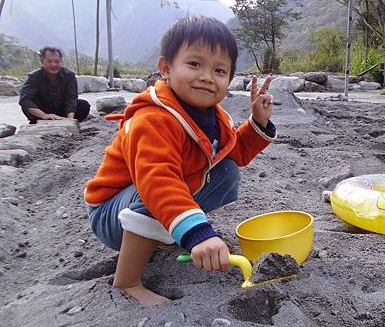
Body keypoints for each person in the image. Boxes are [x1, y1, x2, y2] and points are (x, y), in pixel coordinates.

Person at [84, 15, 276, 307]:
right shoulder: (151, 118)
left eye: (220, 70)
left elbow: (234, 153)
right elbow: (157, 180)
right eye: (194, 64)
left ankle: (171, 227)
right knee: (159, 191)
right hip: (113, 215)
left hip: (151, 199)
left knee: (225, 171)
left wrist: (257, 123)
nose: (207, 77)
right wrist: (198, 233)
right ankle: (128, 281)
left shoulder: (215, 117)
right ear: (165, 68)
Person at [19, 47, 90, 124]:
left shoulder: (69, 75)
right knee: (26, 105)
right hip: (42, 110)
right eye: (49, 61)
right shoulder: (34, 77)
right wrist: (44, 115)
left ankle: (66, 121)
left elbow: (71, 98)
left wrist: (70, 120)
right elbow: (24, 99)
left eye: (57, 61)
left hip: (62, 110)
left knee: (83, 105)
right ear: (42, 62)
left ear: (61, 62)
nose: (53, 65)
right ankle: (41, 120)